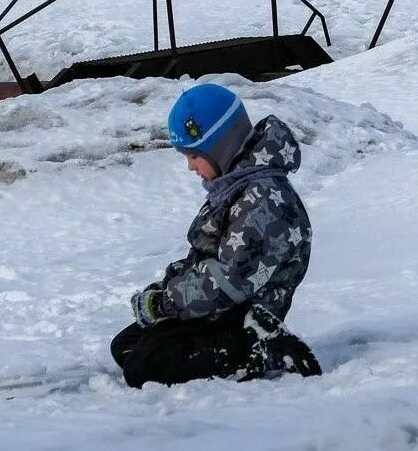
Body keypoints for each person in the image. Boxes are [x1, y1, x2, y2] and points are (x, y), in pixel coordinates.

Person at [109, 83, 322, 386]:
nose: (189, 166)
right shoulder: (233, 188)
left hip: (240, 317)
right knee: (126, 346)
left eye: (194, 156)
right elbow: (205, 256)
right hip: (216, 310)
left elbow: (227, 282)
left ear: (219, 146)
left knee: (144, 366)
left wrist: (164, 304)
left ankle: (262, 350)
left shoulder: (263, 198)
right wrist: (165, 287)